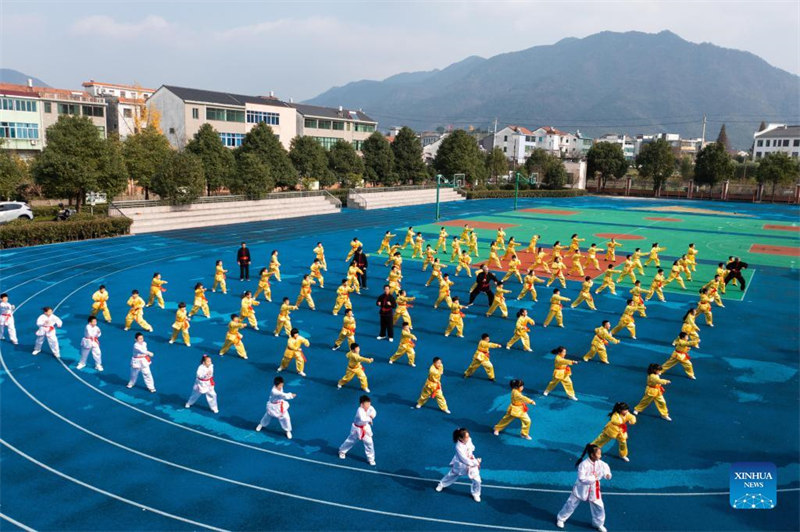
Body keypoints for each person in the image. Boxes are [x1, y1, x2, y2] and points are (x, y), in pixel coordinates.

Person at [555, 443, 612, 532]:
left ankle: (598, 524)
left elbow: (606, 468)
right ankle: (561, 518)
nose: (600, 455)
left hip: (594, 489)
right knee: (570, 504)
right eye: (598, 454)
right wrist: (594, 477)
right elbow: (582, 479)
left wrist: (608, 474)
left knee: (599, 507)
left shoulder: (601, 463)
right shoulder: (583, 465)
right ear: (592, 455)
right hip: (581, 489)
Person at [435, 428, 482, 502]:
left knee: (477, 480)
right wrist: (476, 462)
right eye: (466, 437)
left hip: (471, 461)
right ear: (460, 438)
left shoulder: (469, 439)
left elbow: (472, 447)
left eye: (468, 436)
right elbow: (464, 459)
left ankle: (476, 493)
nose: (468, 438)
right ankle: (442, 484)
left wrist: (471, 453)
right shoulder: (458, 447)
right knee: (452, 475)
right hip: (460, 464)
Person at [338, 394, 377, 466]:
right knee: (350, 441)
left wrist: (372, 416)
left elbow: (374, 412)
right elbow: (363, 419)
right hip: (357, 429)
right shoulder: (359, 410)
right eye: (367, 404)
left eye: (369, 404)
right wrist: (370, 418)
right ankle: (342, 451)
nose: (368, 406)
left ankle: (371, 459)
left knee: (369, 443)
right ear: (361, 404)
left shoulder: (370, 407)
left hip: (365, 428)